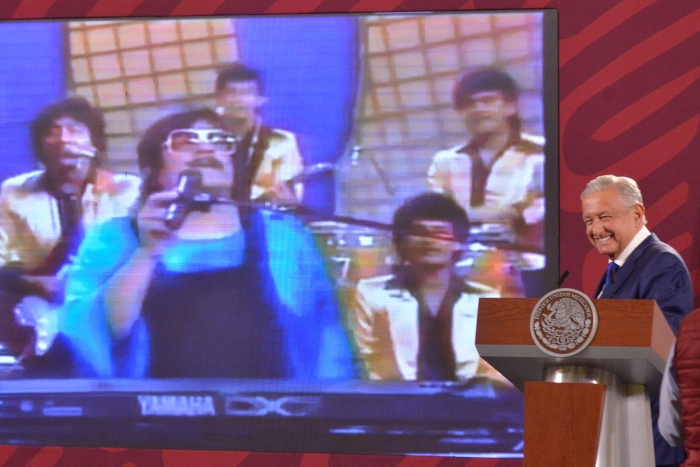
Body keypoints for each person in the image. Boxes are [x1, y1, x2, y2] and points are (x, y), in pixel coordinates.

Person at [57, 108, 355, 380]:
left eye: (219, 141)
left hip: (273, 417)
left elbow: (328, 339)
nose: (205, 148)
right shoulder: (113, 238)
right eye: (185, 141)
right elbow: (92, 335)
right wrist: (147, 252)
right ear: (154, 169)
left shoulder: (285, 236)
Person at [0, 96, 140, 360]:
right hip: (34, 303)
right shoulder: (14, 192)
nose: (63, 139)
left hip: (107, 299)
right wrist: (35, 283)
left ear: (95, 143)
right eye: (52, 133)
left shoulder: (127, 190)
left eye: (74, 131)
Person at [581, 174, 693, 467]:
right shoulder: (618, 268)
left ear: (637, 213)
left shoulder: (662, 263)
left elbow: (665, 350)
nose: (596, 229)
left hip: (649, 433)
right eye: (589, 220)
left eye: (605, 217)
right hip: (621, 429)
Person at [352, 192, 503, 382]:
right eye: (419, 232)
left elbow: (497, 373)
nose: (429, 240)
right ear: (401, 242)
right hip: (395, 397)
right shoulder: (371, 293)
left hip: (468, 398)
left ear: (459, 243)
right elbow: (369, 362)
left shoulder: (488, 299)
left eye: (440, 232)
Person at [427, 67, 544, 252]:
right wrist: (512, 211)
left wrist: (466, 216)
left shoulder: (541, 153)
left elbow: (540, 216)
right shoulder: (444, 162)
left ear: (510, 106)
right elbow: (439, 217)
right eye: (469, 104)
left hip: (530, 259)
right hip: (462, 258)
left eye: (488, 101)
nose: (478, 109)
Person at [215, 63, 303, 206]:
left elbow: (291, 196)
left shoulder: (282, 141)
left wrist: (287, 201)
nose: (240, 100)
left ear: (261, 99)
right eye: (232, 93)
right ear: (219, 98)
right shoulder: (207, 141)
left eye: (248, 93)